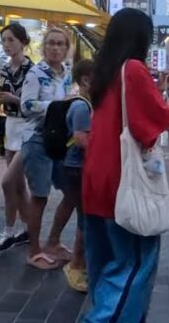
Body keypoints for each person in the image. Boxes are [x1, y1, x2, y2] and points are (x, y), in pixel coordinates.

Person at [81, 8, 169, 323]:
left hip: (96, 178)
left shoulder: (104, 70)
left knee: (105, 262)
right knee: (135, 262)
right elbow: (162, 118)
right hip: (122, 180)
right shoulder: (133, 69)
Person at [16, 27, 73, 270]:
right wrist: (57, 105)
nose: (56, 48)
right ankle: (33, 250)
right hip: (38, 139)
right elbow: (26, 105)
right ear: (44, 46)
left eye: (61, 44)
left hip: (61, 140)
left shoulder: (69, 73)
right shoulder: (35, 74)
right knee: (39, 197)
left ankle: (53, 242)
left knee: (72, 193)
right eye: (51, 43)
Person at [0, 22, 34, 253]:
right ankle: (27, 229)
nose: (7, 45)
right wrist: (1, 96)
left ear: (23, 42)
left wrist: (13, 99)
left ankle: (8, 231)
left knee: (9, 182)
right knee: (18, 185)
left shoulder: (33, 70)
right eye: (4, 40)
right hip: (11, 126)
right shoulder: (6, 68)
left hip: (27, 127)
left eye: (11, 40)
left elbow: (33, 104)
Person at [58, 58, 94, 292]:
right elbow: (82, 139)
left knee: (85, 217)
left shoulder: (84, 103)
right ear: (86, 80)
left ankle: (82, 264)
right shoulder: (81, 106)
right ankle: (76, 265)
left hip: (77, 166)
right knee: (84, 219)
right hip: (76, 167)